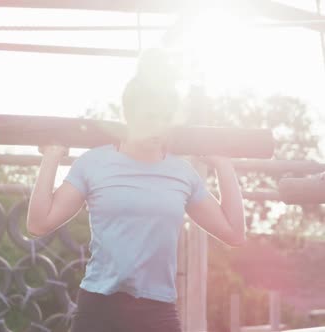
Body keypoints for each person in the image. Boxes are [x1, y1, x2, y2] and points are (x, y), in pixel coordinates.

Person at [26, 49, 246, 332]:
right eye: (150, 117)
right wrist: (51, 158)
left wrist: (224, 166)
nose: (157, 127)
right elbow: (38, 223)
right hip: (99, 307)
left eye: (165, 118)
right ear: (129, 117)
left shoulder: (182, 174)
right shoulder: (94, 163)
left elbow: (234, 233)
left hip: (157, 309)